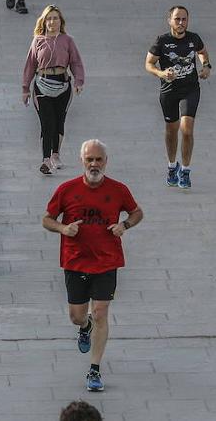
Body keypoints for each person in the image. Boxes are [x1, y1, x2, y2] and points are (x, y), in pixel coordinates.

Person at [42, 139, 143, 393]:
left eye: (98, 159)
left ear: (106, 162)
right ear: (82, 161)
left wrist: (125, 226)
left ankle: (94, 370)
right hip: (75, 261)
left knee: (100, 312)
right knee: (77, 316)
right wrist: (64, 228)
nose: (94, 164)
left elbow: (137, 212)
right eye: (90, 160)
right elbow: (46, 219)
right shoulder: (67, 190)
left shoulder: (118, 190)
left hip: (107, 260)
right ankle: (84, 327)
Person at [144, 5, 211, 190]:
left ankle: (186, 170)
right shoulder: (162, 41)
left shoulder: (193, 38)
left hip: (190, 89)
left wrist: (206, 66)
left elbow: (202, 53)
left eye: (184, 19)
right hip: (169, 91)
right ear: (170, 21)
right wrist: (161, 73)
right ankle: (172, 166)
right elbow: (148, 63)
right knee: (172, 130)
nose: (181, 23)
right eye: (177, 19)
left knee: (187, 130)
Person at [22, 5, 85, 169]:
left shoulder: (67, 40)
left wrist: (79, 81)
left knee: (58, 121)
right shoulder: (38, 40)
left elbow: (76, 62)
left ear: (60, 21)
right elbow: (30, 65)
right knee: (47, 121)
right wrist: (25, 88)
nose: (52, 21)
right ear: (44, 21)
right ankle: (45, 159)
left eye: (55, 18)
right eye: (49, 18)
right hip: (42, 85)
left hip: (63, 85)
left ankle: (56, 154)